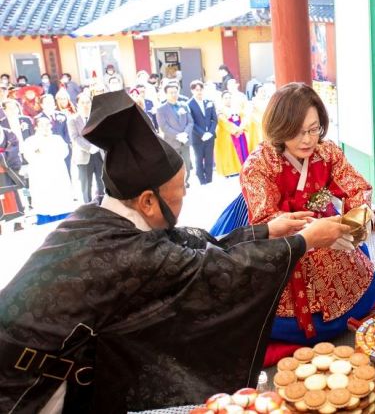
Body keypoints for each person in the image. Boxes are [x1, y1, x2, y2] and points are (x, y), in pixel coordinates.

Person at [0, 89, 351, 413]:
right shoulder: (133, 253)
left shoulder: (94, 217)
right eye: (180, 188)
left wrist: (266, 230)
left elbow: (189, 245)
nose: (184, 195)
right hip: (25, 384)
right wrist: (305, 241)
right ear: (148, 201)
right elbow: (216, 269)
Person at [213, 83, 375, 344]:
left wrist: (359, 218)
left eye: (314, 129)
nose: (307, 140)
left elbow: (356, 186)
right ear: (279, 129)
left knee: (363, 286)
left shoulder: (326, 152)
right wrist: (314, 235)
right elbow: (266, 221)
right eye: (297, 132)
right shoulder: (259, 165)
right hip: (274, 230)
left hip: (318, 216)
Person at [22, 116, 74, 224]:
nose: (45, 127)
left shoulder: (57, 138)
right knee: (45, 203)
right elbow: (29, 157)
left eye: (47, 124)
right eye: (42, 125)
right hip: (41, 176)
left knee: (61, 199)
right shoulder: (30, 141)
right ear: (36, 127)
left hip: (58, 173)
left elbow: (64, 152)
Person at [68, 93, 104, 203]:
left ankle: (103, 205)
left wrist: (98, 145)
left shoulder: (98, 117)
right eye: (82, 102)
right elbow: (75, 138)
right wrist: (89, 147)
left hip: (99, 154)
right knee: (86, 185)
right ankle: (88, 207)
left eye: (88, 102)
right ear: (77, 104)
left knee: (102, 182)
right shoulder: (72, 120)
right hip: (83, 156)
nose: (85, 105)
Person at [156, 83, 193, 185]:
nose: (174, 94)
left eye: (175, 92)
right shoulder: (161, 109)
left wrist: (185, 134)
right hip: (172, 142)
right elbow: (164, 127)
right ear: (166, 94)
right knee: (175, 165)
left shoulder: (184, 105)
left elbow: (190, 121)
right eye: (171, 92)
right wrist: (178, 135)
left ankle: (186, 181)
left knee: (187, 164)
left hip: (185, 141)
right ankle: (179, 184)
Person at [188, 80, 217, 185]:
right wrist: (202, 134)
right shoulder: (189, 104)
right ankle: (202, 181)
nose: (199, 92)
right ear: (192, 91)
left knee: (209, 160)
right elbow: (192, 122)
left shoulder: (209, 102)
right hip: (197, 137)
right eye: (196, 90)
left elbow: (214, 119)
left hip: (210, 136)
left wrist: (210, 132)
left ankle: (209, 180)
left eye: (201, 89)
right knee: (199, 160)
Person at [215, 90, 250, 177]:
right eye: (226, 98)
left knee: (243, 148)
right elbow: (223, 122)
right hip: (228, 133)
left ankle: (244, 166)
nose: (228, 99)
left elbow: (244, 117)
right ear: (222, 99)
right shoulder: (220, 110)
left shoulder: (237, 107)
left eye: (229, 97)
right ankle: (231, 170)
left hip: (240, 131)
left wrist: (241, 127)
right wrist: (235, 130)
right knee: (231, 151)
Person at [37, 93, 72, 174]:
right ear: (42, 105)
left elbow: (67, 131)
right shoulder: (38, 118)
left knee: (67, 171)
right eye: (47, 102)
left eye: (51, 102)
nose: (50, 104)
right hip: (48, 150)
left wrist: (66, 144)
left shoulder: (62, 115)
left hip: (64, 148)